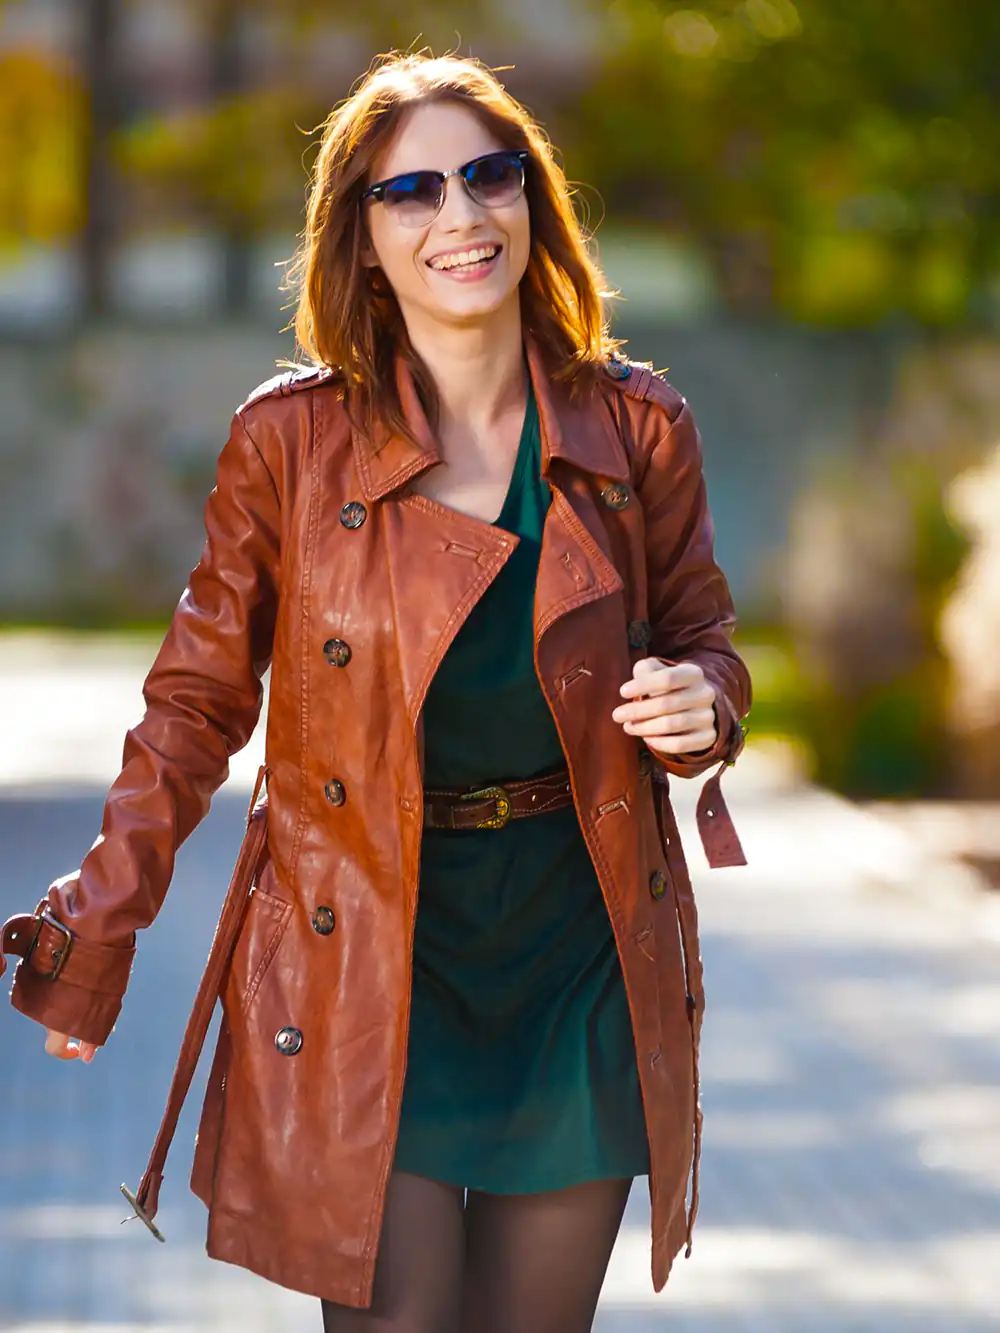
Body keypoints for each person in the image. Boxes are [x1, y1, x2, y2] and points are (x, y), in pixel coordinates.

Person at [1, 51, 751, 1333]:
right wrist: (102, 922)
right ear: (359, 238)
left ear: (532, 203)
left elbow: (705, 641)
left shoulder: (636, 427)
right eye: (412, 192)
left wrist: (703, 704)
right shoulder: (289, 442)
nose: (459, 216)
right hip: (365, 941)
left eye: (488, 175)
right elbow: (194, 703)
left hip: (574, 942)